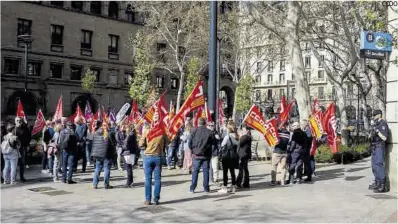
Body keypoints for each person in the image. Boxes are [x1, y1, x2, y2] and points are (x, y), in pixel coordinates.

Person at [143, 112, 168, 205]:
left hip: (148, 156)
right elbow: (168, 142)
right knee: (157, 179)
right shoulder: (162, 131)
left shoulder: (147, 131)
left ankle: (148, 199)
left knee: (148, 179)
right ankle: (156, 199)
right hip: (158, 156)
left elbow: (141, 143)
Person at [189, 117, 215, 194]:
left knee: (195, 172)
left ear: (198, 123)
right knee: (205, 171)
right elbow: (213, 144)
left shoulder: (194, 131)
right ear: (205, 123)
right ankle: (206, 188)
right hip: (206, 155)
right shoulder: (209, 132)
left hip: (196, 155)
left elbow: (189, 142)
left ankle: (192, 188)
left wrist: (193, 150)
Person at [368, 110, 389, 193]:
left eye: (375, 115)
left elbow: (384, 138)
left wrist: (377, 131)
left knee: (379, 165)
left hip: (379, 146)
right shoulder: (376, 124)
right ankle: (377, 182)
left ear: (379, 115)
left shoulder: (383, 124)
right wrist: (370, 132)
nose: (373, 116)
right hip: (374, 147)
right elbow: (370, 137)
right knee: (374, 166)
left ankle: (383, 185)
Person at [91, 120, 114, 189]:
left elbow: (93, 142)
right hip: (106, 154)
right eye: (107, 125)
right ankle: (106, 184)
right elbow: (113, 143)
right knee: (106, 169)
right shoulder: (108, 133)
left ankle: (95, 184)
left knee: (97, 169)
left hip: (98, 154)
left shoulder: (96, 133)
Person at [218, 122, 239, 193]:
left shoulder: (227, 137)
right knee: (232, 171)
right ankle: (233, 186)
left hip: (226, 156)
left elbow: (222, 145)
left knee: (225, 172)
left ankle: (225, 187)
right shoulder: (235, 136)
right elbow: (237, 144)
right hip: (232, 156)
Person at [14, 117, 31, 182]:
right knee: (14, 164)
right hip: (14, 149)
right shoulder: (13, 129)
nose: (19, 122)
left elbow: (29, 137)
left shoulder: (25, 129)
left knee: (22, 163)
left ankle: (21, 177)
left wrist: (27, 144)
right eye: (17, 120)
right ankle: (13, 178)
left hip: (22, 148)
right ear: (15, 121)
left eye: (20, 120)